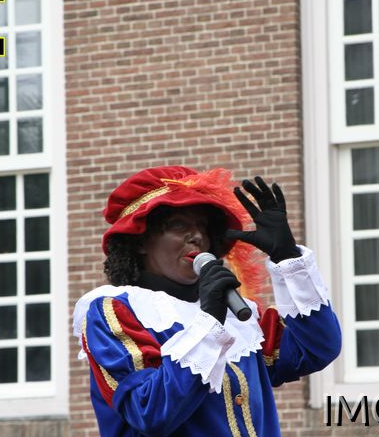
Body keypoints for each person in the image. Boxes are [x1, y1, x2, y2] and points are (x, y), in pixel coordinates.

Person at [72, 166, 341, 436]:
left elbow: (317, 349)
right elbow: (149, 411)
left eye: (202, 226)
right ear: (140, 241)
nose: (197, 236)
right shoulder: (115, 311)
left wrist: (287, 256)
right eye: (179, 225)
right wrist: (209, 323)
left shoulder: (237, 313)